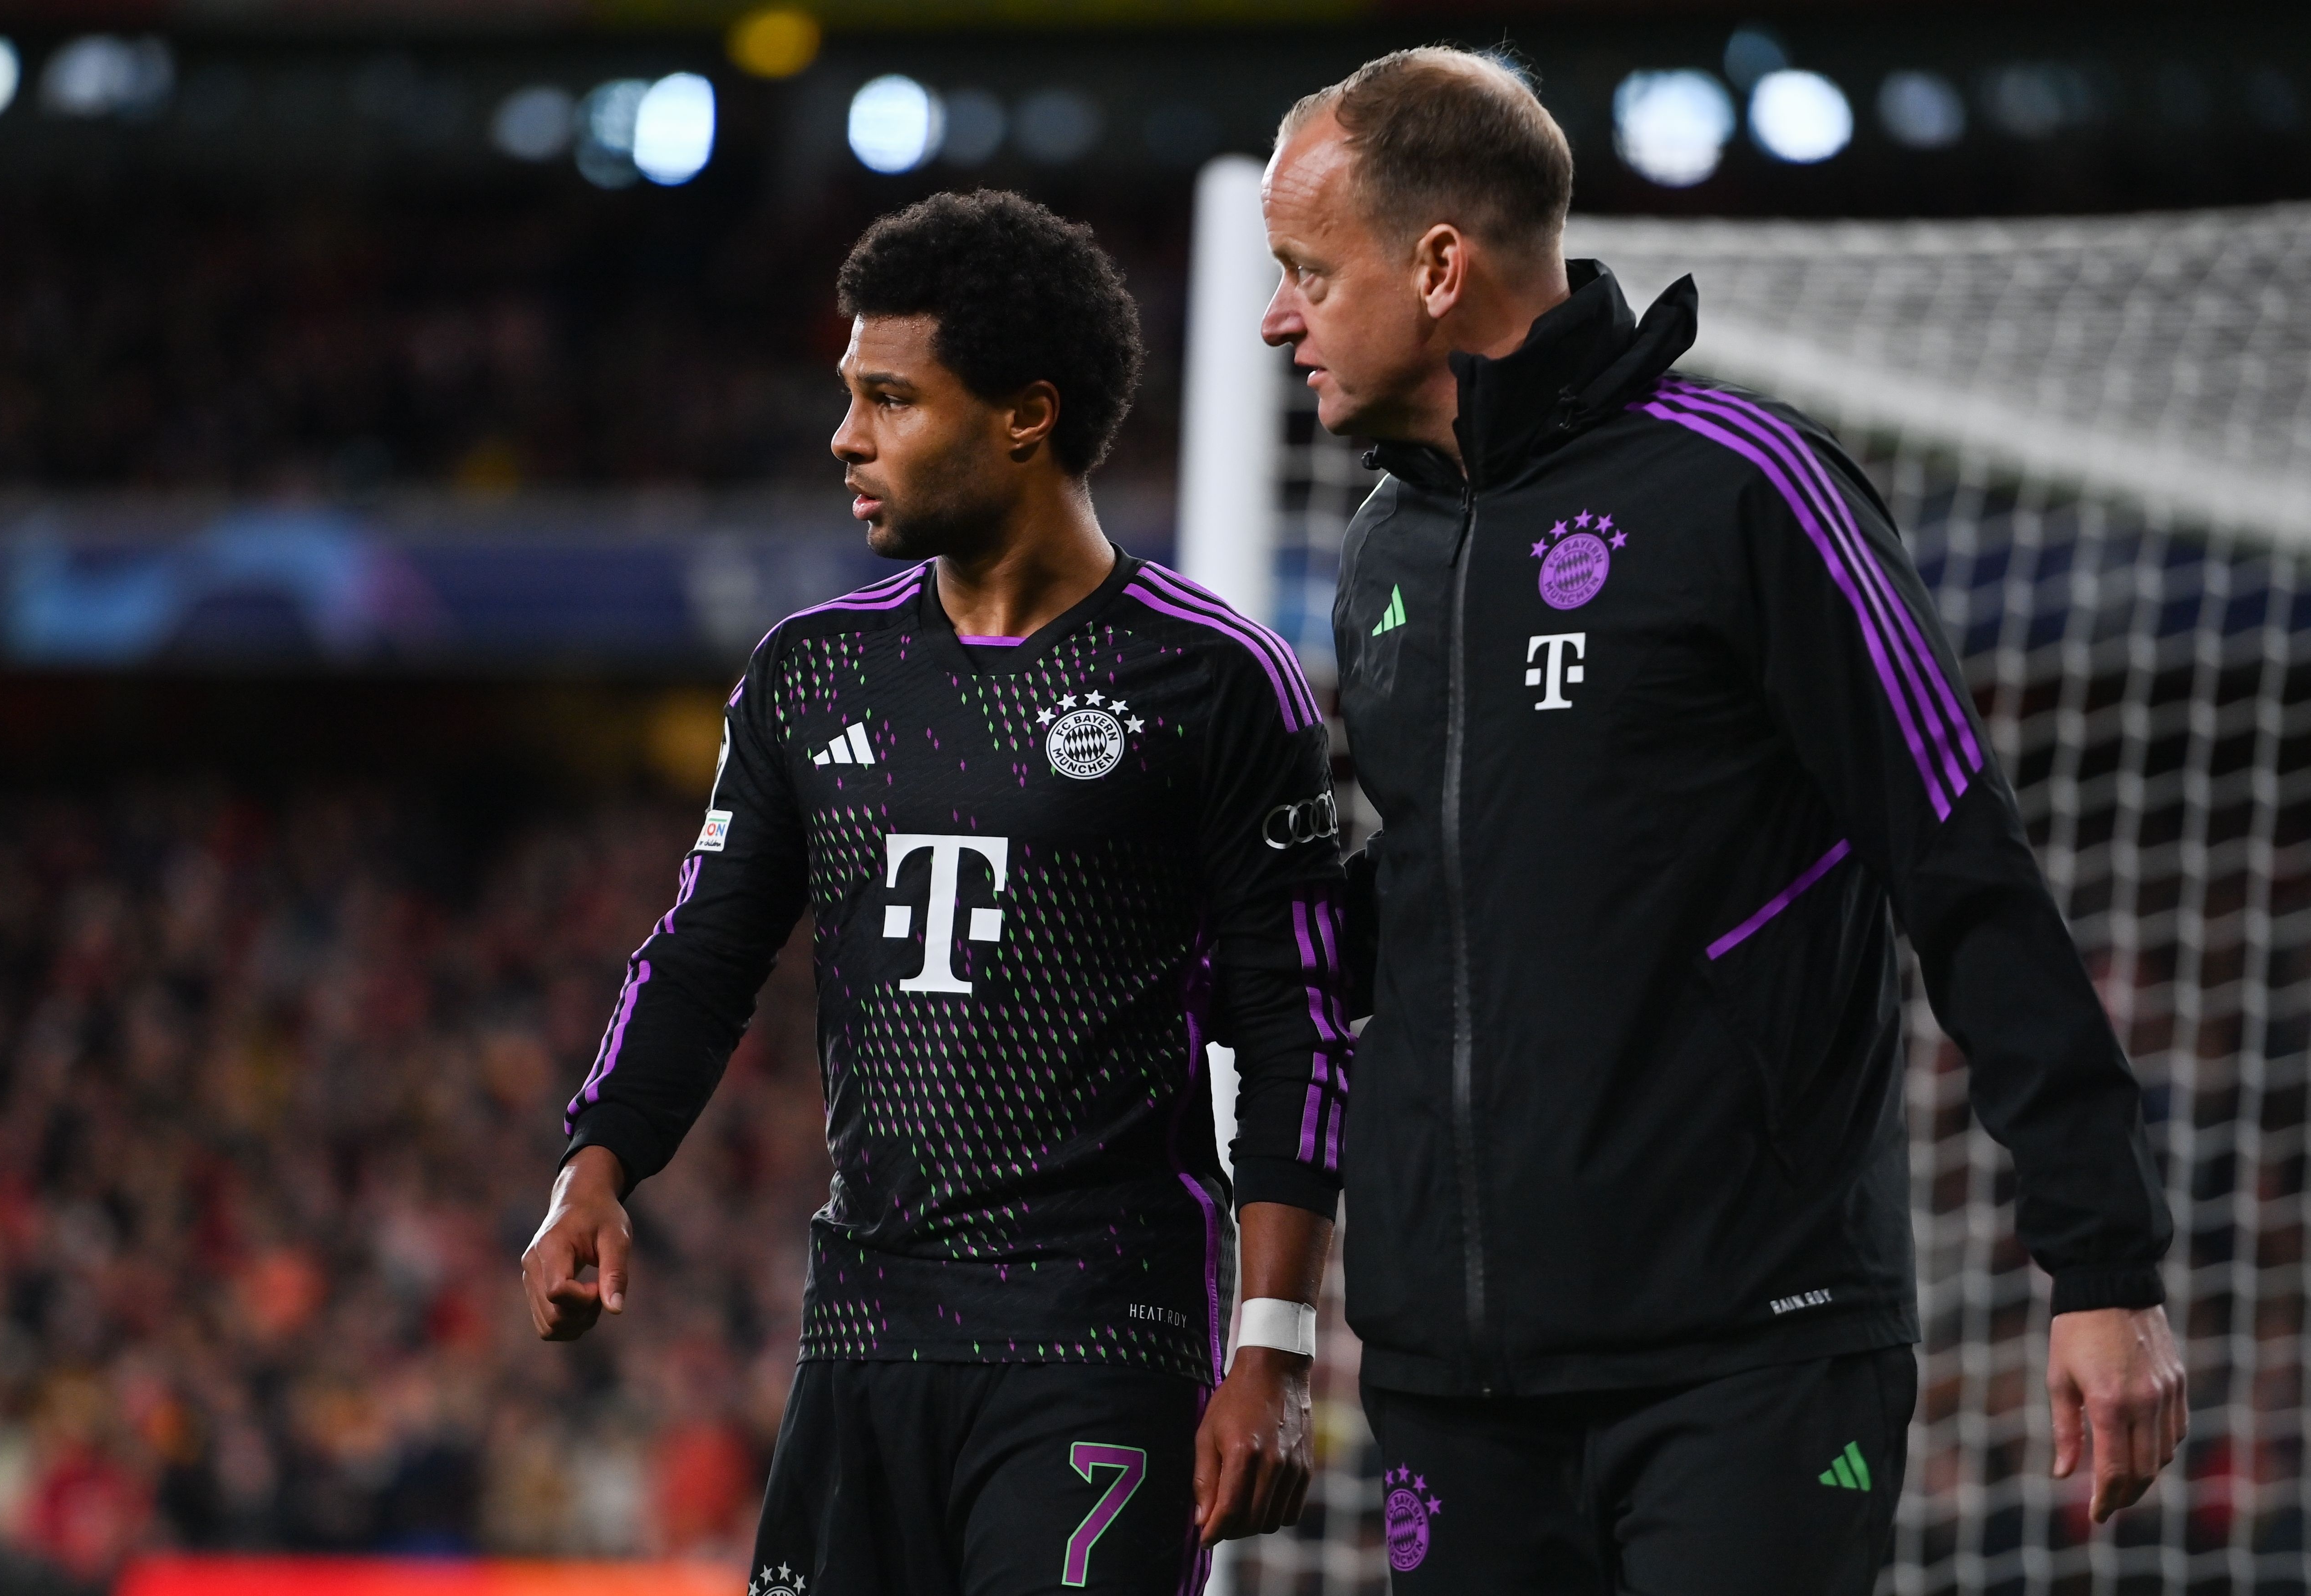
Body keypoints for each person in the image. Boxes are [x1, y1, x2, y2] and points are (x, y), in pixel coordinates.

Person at [1258, 47, 2186, 1593]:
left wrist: (2102, 1264)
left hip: (1746, 1356)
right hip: (1453, 1381)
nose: (1276, 318)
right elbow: (1442, 890)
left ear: (1437, 266)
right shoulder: (1383, 544)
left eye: (1306, 271)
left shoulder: (1747, 488)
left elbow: (1961, 866)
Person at [520, 190, 1353, 1596]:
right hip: (866, 1331)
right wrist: (595, 1168)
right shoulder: (811, 672)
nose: (845, 436)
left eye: (890, 400)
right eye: (851, 396)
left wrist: (1269, 1346)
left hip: (1101, 1336)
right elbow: (705, 951)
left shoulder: (1213, 680)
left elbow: (1294, 1024)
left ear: (1025, 418)